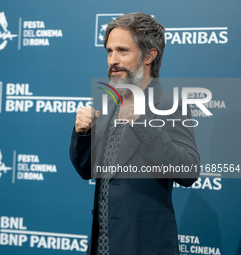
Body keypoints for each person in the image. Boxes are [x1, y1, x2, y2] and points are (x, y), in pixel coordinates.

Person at [69, 12, 200, 255]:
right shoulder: (110, 103)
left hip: (144, 246)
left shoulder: (170, 105)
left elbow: (188, 171)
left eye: (122, 51)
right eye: (109, 51)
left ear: (150, 55)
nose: (112, 60)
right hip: (102, 247)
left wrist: (141, 122)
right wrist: (83, 134)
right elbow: (87, 170)